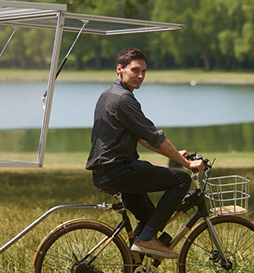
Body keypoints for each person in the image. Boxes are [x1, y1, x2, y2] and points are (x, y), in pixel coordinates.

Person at [86, 48, 205, 259]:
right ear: (120, 69)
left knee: (149, 217)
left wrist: (176, 154)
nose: (140, 76)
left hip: (105, 172)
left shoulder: (107, 96)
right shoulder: (124, 99)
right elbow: (154, 137)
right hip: (119, 170)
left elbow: (141, 138)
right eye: (135, 70)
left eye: (144, 71)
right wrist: (186, 165)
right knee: (180, 180)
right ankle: (148, 239)